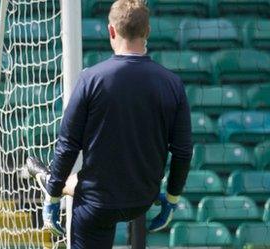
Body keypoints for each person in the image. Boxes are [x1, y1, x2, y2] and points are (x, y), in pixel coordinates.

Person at [29, 0, 192, 248]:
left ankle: (49, 180)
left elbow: (68, 144)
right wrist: (171, 197)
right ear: (147, 32)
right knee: (89, 184)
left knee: (76, 186)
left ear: (111, 31)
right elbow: (182, 151)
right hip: (142, 199)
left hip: (97, 204)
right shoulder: (172, 83)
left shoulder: (91, 79)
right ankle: (51, 180)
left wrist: (52, 197)